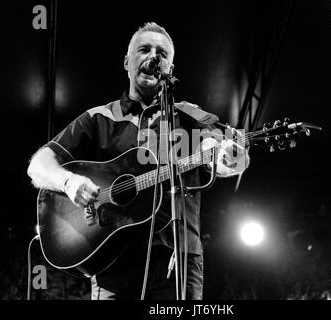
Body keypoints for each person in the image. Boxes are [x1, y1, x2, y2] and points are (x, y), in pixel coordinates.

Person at [27, 22, 250, 300]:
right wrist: (68, 181)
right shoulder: (99, 117)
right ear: (126, 62)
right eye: (144, 49)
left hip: (176, 257)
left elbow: (225, 155)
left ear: (170, 68)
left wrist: (232, 156)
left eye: (162, 53)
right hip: (112, 259)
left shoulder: (190, 117)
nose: (153, 57)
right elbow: (38, 164)